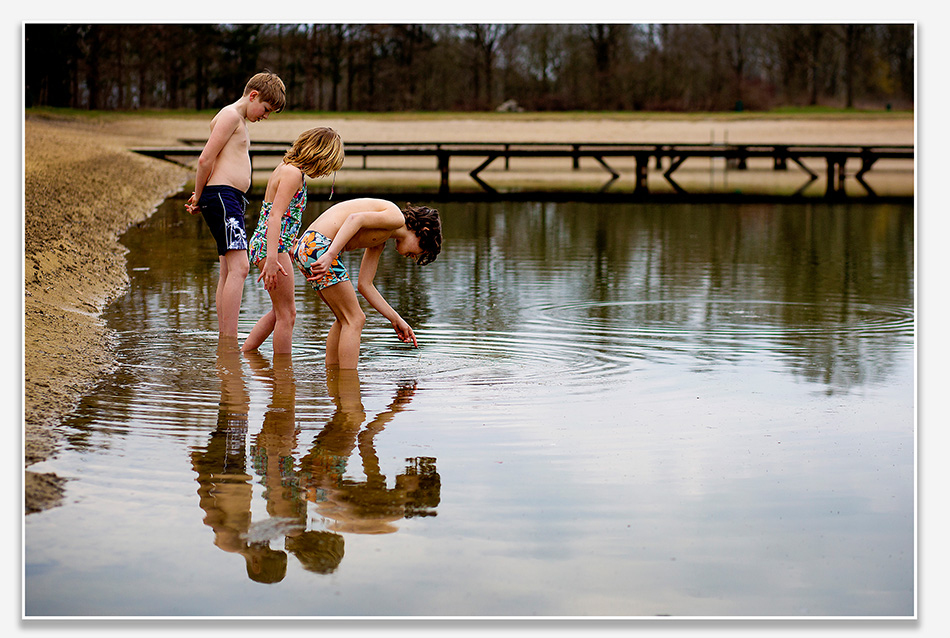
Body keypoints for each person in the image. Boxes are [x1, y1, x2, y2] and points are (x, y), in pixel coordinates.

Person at [184, 71, 286, 337]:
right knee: (240, 267)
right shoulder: (231, 116)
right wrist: (197, 196)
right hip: (222, 195)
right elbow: (205, 159)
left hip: (228, 197)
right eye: (265, 109)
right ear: (253, 96)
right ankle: (229, 340)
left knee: (228, 269)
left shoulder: (236, 118)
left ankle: (224, 337)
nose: (264, 116)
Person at [291, 198, 442, 369]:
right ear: (423, 231)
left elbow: (365, 285)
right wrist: (330, 255)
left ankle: (333, 377)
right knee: (355, 319)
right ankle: (349, 384)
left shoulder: (380, 240)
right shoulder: (396, 217)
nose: (414, 257)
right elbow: (355, 219)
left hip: (309, 247)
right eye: (420, 252)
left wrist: (396, 319)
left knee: (344, 319)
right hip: (320, 247)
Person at [241, 128, 345, 354]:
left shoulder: (287, 168)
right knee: (288, 315)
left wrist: (289, 243)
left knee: (280, 312)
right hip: (271, 248)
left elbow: (283, 216)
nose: (326, 172)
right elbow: (275, 216)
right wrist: (271, 258)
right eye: (327, 165)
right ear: (319, 154)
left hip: (272, 244)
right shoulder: (292, 174)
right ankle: (283, 377)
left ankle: (245, 354)